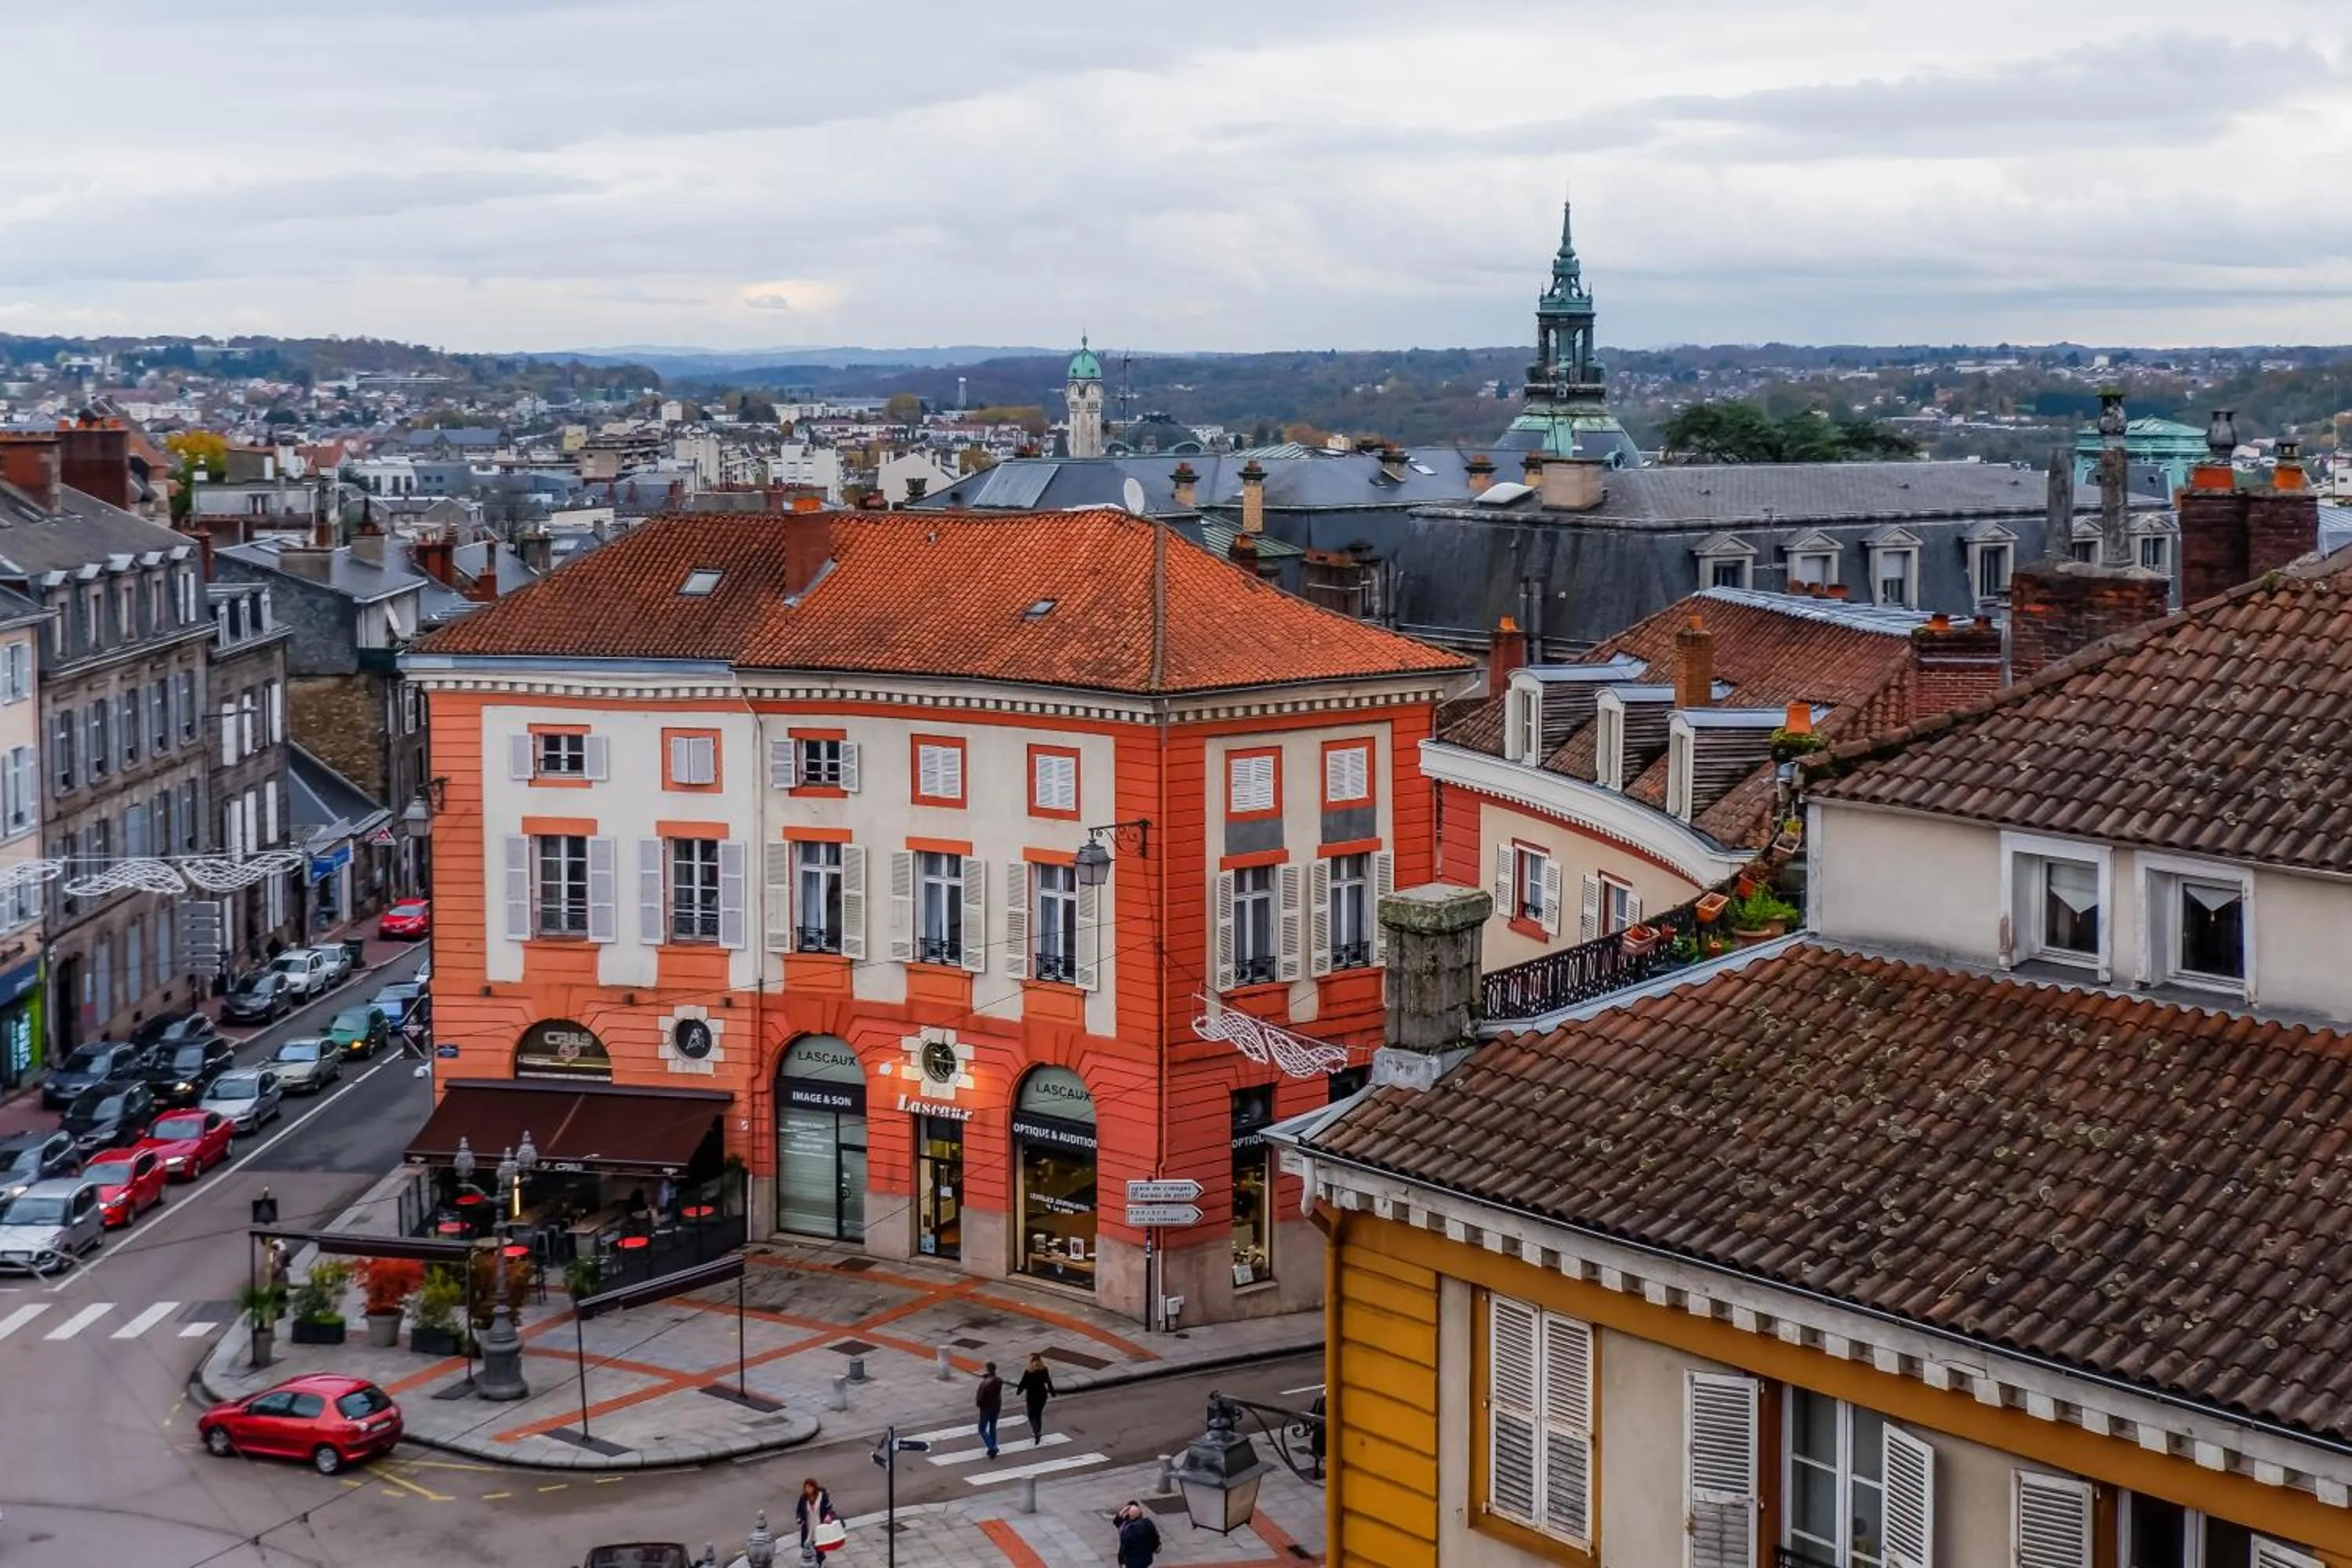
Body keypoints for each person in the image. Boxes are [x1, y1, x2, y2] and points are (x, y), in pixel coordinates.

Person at [793, 1477, 837, 1566]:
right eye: (806, 1488)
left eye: (810, 1487)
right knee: (808, 1544)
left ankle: (820, 1561)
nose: (808, 1490)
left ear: (814, 1487)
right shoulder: (804, 1498)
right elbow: (799, 1510)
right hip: (809, 1525)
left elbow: (829, 1508)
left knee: (819, 1545)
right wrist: (799, 1520)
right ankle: (813, 1560)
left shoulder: (822, 1496)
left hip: (819, 1524)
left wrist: (828, 1516)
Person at [1015, 1352, 1055, 1443]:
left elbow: (1023, 1383)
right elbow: (1048, 1382)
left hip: (1031, 1396)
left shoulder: (1029, 1371)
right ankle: (1038, 1430)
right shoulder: (1044, 1370)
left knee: (1031, 1415)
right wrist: (1052, 1392)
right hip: (1042, 1395)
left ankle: (1036, 1430)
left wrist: (1019, 1392)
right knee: (1038, 1414)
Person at [1115, 1500, 1162, 1567]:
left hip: (1132, 1560)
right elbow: (1154, 1536)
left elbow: (1124, 1547)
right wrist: (1157, 1546)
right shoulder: (1147, 1523)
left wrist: (1120, 1559)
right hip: (1146, 1557)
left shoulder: (1127, 1529)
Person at [975, 1360, 1004, 1458]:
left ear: (987, 1369)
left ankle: (992, 1447)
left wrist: (979, 1405)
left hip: (986, 1408)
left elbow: (980, 1398)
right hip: (996, 1407)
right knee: (992, 1426)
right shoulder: (999, 1381)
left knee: (982, 1429)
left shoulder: (985, 1384)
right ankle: (994, 1445)